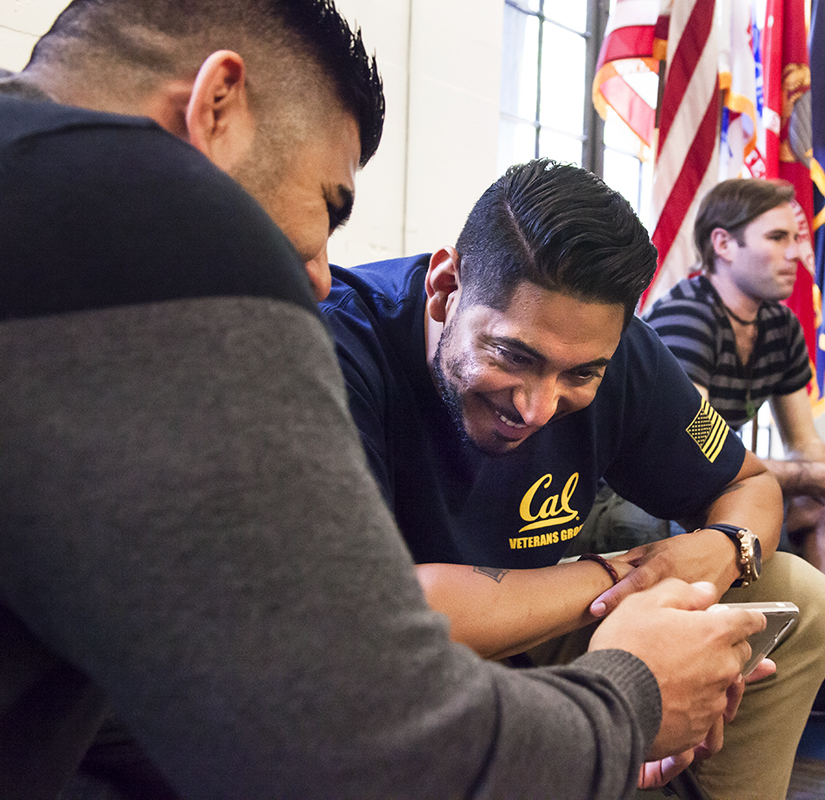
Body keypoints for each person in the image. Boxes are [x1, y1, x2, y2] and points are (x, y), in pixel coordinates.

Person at [0, 2, 773, 798]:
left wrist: (724, 550)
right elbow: (377, 745)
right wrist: (633, 692)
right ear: (216, 108)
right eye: (328, 206)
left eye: (578, 373)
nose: (319, 275)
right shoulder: (171, 239)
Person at [320, 159, 825, 799]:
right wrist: (629, 578)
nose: (536, 408)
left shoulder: (621, 351)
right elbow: (378, 610)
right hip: (381, 662)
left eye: (579, 375)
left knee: (799, 597)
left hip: (529, 620)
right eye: (514, 355)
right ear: (445, 286)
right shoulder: (333, 349)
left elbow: (750, 481)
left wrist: (727, 545)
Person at [641, 177, 825, 717]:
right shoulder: (689, 317)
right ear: (722, 245)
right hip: (644, 486)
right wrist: (821, 475)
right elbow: (692, 446)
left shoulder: (779, 324)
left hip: (712, 475)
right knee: (812, 490)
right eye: (777, 238)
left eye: (797, 238)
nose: (797, 253)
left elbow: (806, 442)